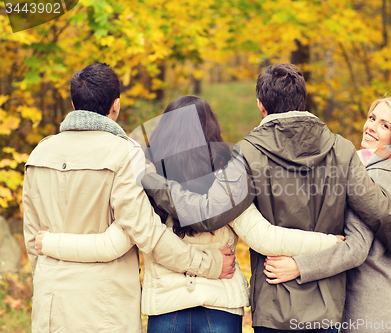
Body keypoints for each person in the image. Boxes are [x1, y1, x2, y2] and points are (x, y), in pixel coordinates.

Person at [136, 64, 391, 332]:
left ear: (261, 106)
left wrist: (152, 179)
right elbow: (380, 210)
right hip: (326, 306)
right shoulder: (341, 149)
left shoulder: (248, 153)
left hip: (274, 305)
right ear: (303, 102)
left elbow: (209, 213)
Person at [35, 95, 345, 332]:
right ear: (212, 130)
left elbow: (127, 237)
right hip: (220, 305)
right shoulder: (228, 173)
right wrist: (330, 243)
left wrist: (51, 243)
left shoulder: (145, 173)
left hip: (166, 306)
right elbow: (262, 236)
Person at [22, 63, 236, 333]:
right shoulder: (126, 154)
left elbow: (33, 241)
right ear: (116, 105)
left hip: (50, 305)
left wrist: (43, 284)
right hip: (106, 307)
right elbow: (147, 234)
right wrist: (210, 264)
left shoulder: (39, 155)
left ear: (73, 104)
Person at [264, 97, 391, 332]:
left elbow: (356, 250)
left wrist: (300, 266)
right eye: (372, 118)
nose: (371, 126)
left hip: (371, 311)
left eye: (385, 125)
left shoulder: (370, 177)